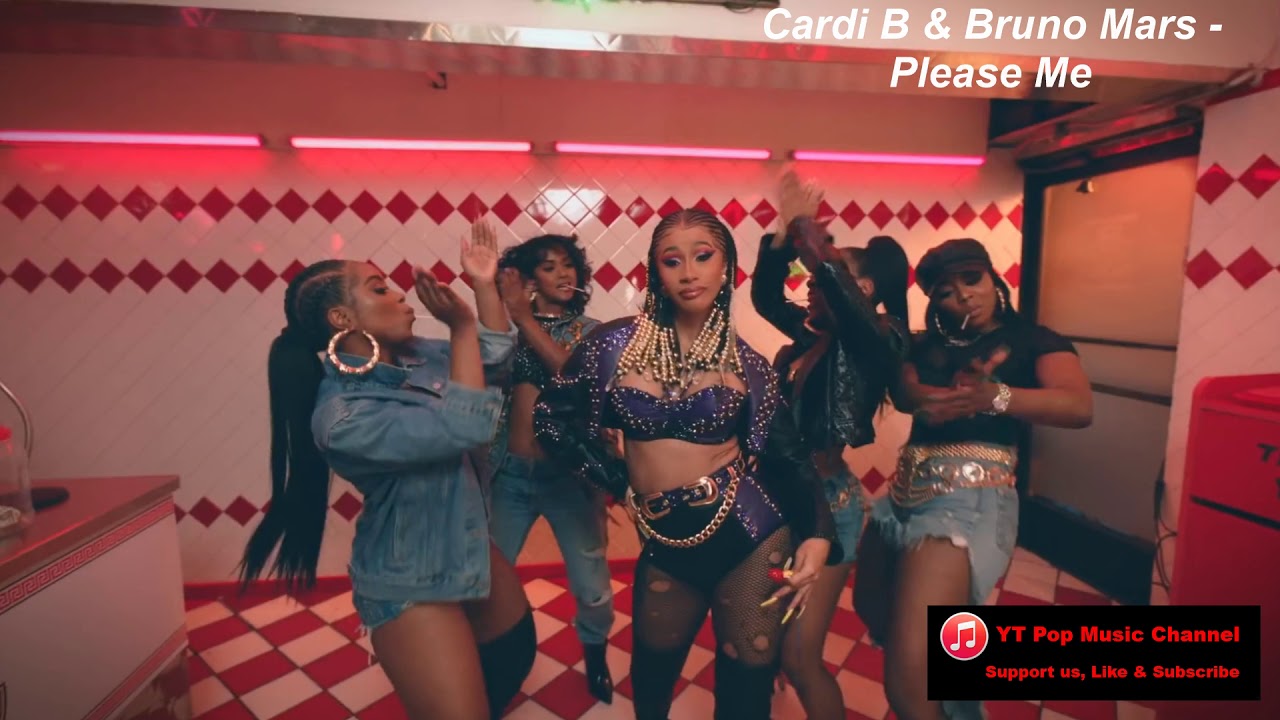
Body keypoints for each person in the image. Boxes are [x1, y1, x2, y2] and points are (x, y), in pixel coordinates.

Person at [532, 207, 842, 720]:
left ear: (726, 268)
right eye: (672, 261)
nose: (689, 272)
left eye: (703, 256)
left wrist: (817, 534)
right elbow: (551, 421)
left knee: (745, 692)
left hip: (752, 533)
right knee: (651, 683)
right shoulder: (612, 345)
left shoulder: (746, 364)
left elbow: (790, 458)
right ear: (655, 271)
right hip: (667, 542)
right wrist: (617, 480)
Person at [238, 227, 536, 720]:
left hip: (467, 548)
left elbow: (493, 360)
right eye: (378, 289)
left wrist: (484, 285)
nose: (399, 294)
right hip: (408, 576)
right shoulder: (343, 415)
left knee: (511, 653)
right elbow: (464, 428)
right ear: (343, 318)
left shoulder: (422, 356)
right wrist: (462, 327)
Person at [854, 238, 1093, 720]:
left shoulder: (1032, 339)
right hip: (904, 490)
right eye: (946, 291)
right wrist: (926, 394)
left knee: (908, 681)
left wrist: (995, 398)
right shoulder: (927, 343)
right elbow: (906, 397)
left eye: (971, 279)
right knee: (872, 607)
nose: (963, 295)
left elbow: (1078, 405)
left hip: (969, 500)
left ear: (992, 278)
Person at [751, 171, 911, 719]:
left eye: (822, 280)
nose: (810, 287)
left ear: (861, 290)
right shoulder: (810, 335)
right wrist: (782, 240)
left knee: (800, 657)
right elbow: (766, 296)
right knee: (766, 637)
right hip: (774, 502)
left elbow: (842, 298)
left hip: (828, 506)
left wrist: (808, 230)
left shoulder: (879, 338)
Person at [486, 225, 616, 703]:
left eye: (569, 265)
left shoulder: (591, 331)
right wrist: (503, 306)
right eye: (549, 266)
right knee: (488, 577)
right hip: (510, 477)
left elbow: (573, 377)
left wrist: (523, 317)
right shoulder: (507, 332)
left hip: (568, 480)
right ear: (529, 280)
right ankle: (488, 664)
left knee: (591, 585)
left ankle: (596, 657)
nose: (564, 273)